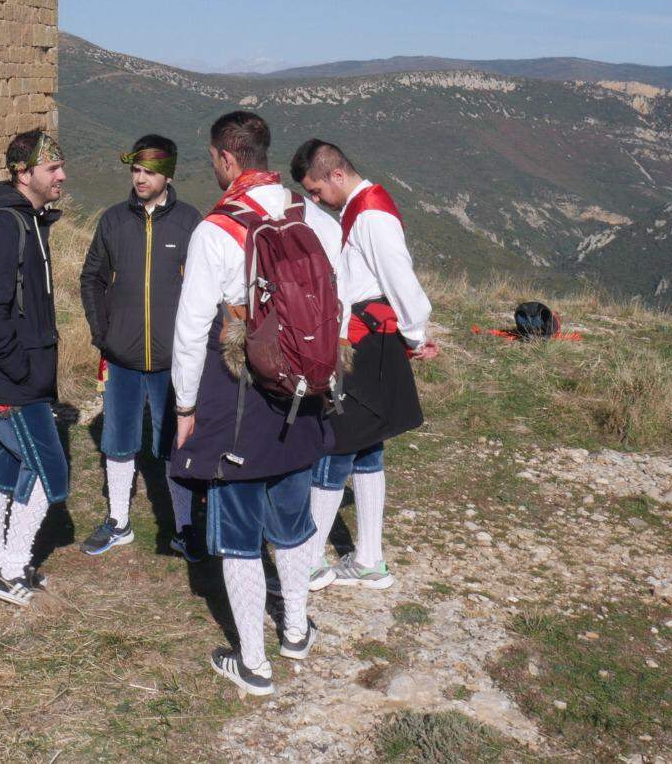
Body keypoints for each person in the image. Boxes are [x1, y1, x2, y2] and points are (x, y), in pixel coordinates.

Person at [169, 111, 342, 696]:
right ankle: (295, 630)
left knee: (239, 530)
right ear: (265, 155)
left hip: (238, 390)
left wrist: (186, 407)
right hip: (302, 388)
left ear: (225, 157)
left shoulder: (217, 229)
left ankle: (253, 662)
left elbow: (192, 329)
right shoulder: (309, 213)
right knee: (293, 519)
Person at [291, 140, 438, 590]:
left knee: (334, 445)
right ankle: (369, 559)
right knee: (369, 447)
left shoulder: (371, 214)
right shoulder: (360, 208)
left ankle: (310, 562)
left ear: (337, 174)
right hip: (373, 339)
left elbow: (400, 276)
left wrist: (415, 334)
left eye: (316, 190)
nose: (316, 199)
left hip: (365, 343)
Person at [77, 135, 201, 557]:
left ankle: (184, 527)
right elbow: (91, 277)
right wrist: (102, 332)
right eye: (135, 170)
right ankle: (118, 521)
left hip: (173, 360)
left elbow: (204, 289)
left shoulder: (190, 223)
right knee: (117, 440)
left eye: (149, 171)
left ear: (168, 173)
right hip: (123, 357)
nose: (140, 178)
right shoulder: (112, 221)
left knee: (175, 445)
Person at [0, 130, 69, 607]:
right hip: (12, 378)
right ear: (23, 174)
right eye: (51, 168)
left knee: (1, 464)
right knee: (50, 472)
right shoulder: (4, 225)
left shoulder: (27, 220)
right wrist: (22, 369)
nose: (61, 175)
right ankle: (9, 567)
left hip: (13, 374)